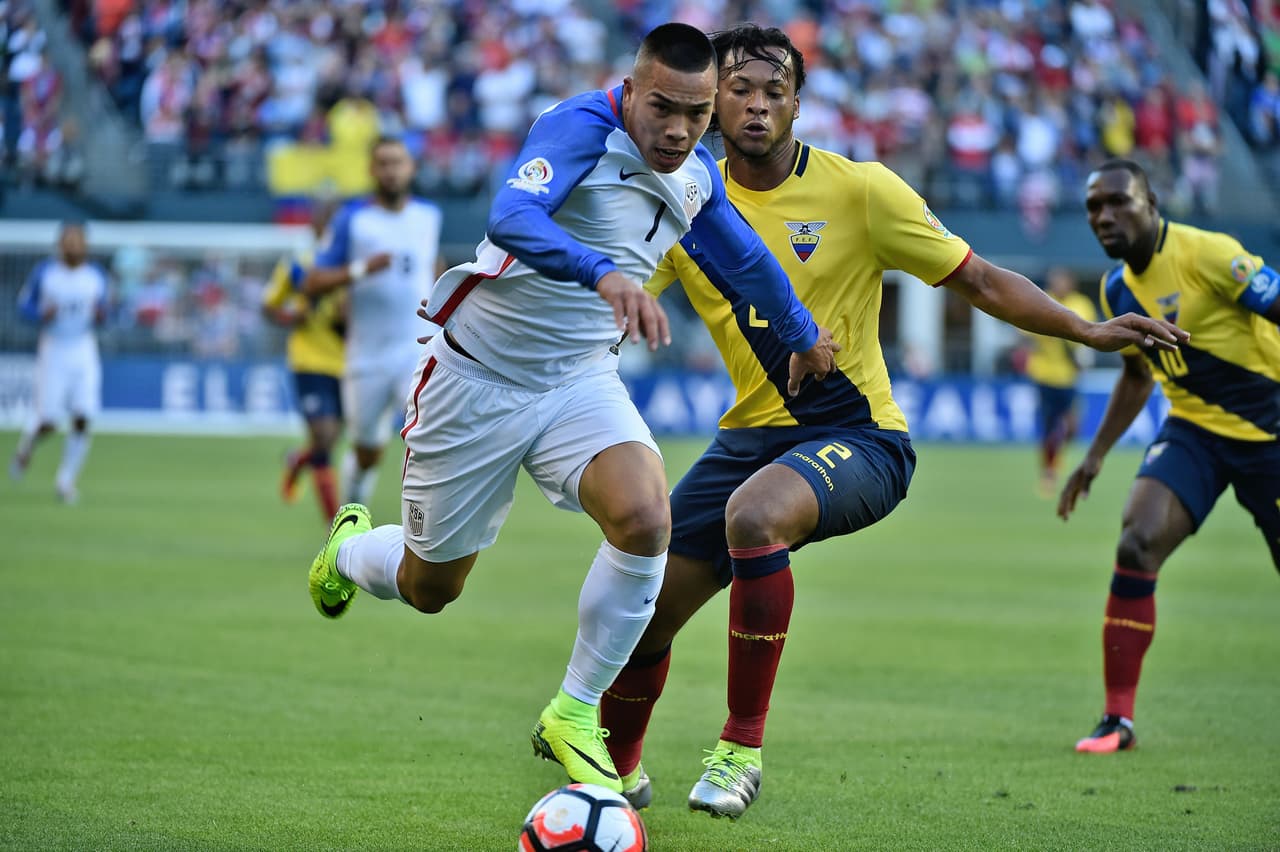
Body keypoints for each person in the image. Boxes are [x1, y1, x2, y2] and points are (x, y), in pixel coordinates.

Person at [596, 25, 1188, 819]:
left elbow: (976, 278)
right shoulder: (683, 202)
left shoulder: (862, 190)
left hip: (863, 438)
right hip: (747, 440)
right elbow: (616, 290)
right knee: (641, 618)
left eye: (777, 92)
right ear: (709, 104)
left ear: (800, 104)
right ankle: (613, 780)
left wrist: (1084, 330)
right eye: (742, 90)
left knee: (756, 516)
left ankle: (739, 750)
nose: (759, 106)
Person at [304, 22, 837, 795]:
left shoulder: (697, 174)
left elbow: (745, 261)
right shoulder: (578, 125)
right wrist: (605, 277)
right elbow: (512, 219)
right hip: (475, 379)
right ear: (632, 88)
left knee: (646, 518)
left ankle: (573, 710)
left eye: (697, 113)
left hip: (579, 379)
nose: (681, 130)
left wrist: (801, 335)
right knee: (431, 589)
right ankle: (349, 549)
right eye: (664, 108)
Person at [1059, 158, 1280, 754]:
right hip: (1195, 434)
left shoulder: (1209, 254)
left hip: (1272, 431)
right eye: (1093, 208)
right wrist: (1095, 457)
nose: (1105, 216)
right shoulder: (1115, 288)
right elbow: (1136, 377)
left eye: (1119, 202)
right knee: (1137, 539)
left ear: (1151, 202)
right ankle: (1117, 722)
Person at [303, 136, 442, 507]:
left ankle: (426, 527)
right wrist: (363, 269)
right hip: (366, 354)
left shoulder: (429, 217)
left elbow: (434, 266)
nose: (391, 171)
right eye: (383, 163)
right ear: (371, 170)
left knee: (427, 436)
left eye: (397, 163)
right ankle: (353, 500)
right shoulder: (354, 219)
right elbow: (314, 281)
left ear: (410, 168)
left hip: (416, 349)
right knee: (367, 451)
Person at [9, 221, 109, 504]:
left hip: (84, 347)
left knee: (83, 415)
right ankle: (27, 445)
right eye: (69, 241)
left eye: (78, 241)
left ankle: (66, 481)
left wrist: (102, 316)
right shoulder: (46, 273)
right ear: (61, 244)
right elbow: (23, 306)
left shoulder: (95, 275)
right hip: (54, 348)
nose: (74, 247)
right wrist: (42, 313)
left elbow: (106, 310)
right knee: (50, 419)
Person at [262, 200, 345, 521]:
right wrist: (291, 316)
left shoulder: (351, 264)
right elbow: (269, 305)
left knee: (331, 438)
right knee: (324, 438)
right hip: (308, 359)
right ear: (315, 225)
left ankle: (298, 460)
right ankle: (333, 523)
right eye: (325, 219)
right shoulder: (298, 264)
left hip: (348, 362)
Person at [1022, 267, 1099, 496]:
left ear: (1070, 283)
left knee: (1072, 426)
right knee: (1048, 425)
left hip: (1069, 377)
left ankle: (1056, 457)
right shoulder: (1042, 300)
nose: (1058, 284)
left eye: (1062, 280)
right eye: (1054, 280)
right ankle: (1048, 471)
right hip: (1044, 375)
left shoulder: (1081, 304)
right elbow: (1026, 332)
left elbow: (1087, 335)